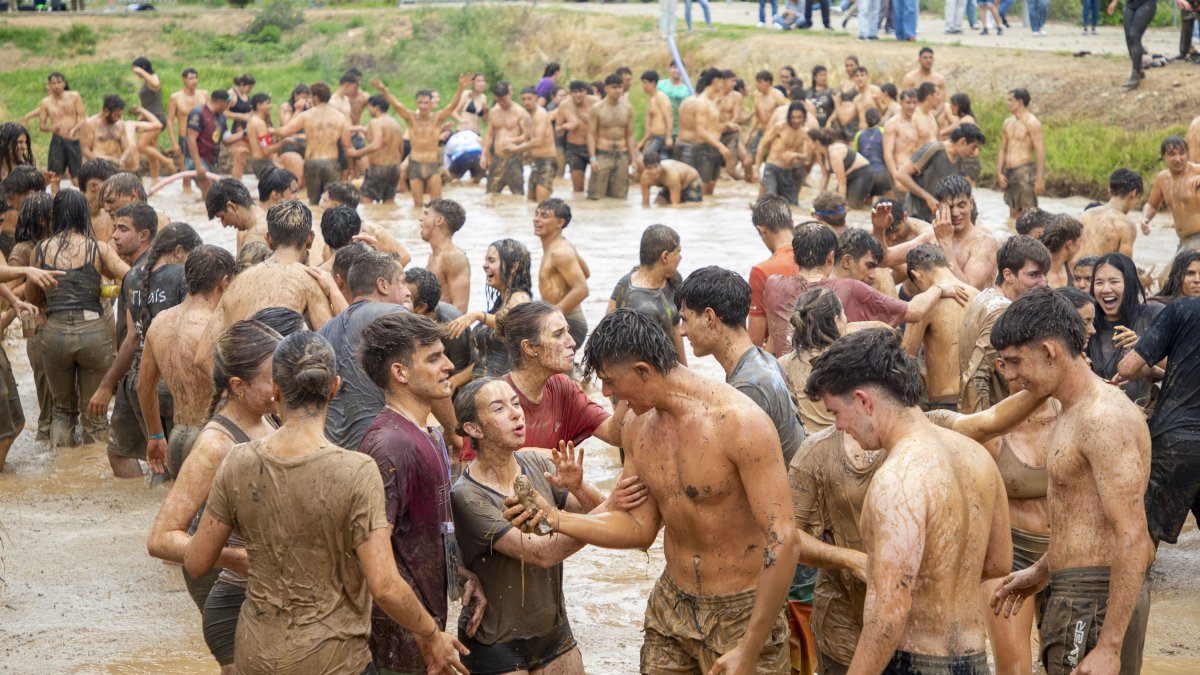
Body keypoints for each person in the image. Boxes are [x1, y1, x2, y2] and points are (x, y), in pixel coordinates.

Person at [504, 308, 801, 674]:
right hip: (672, 606)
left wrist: (751, 645)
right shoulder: (636, 425)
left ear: (643, 371)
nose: (607, 393)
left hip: (741, 609)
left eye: (611, 382)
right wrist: (556, 519)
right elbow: (639, 529)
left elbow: (783, 539)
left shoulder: (740, 424)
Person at [185, 330, 469, 675]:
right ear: (334, 388)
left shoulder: (238, 461)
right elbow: (385, 585)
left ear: (276, 389)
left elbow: (198, 562)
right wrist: (430, 634)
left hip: (257, 654)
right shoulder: (356, 470)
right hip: (334, 659)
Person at [991, 288, 1153, 675]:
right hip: (1079, 592)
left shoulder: (1102, 418)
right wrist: (1041, 571)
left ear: (1049, 351)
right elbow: (1087, 520)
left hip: (1094, 598)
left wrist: (1110, 646)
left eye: (1015, 361)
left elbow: (1132, 534)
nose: (1009, 375)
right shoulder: (1073, 410)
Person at [353, 313, 486, 674]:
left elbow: (424, 532)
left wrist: (459, 574)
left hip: (420, 631)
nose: (449, 366)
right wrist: (429, 635)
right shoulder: (389, 446)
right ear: (401, 373)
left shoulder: (427, 433)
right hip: (398, 642)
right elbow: (379, 579)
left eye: (444, 354)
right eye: (433, 358)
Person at [451, 377, 612, 674]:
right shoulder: (468, 494)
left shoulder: (538, 462)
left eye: (515, 403)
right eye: (499, 408)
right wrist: (589, 523)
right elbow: (541, 554)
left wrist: (578, 488)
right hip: (494, 642)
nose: (516, 413)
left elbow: (600, 513)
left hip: (554, 632)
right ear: (473, 429)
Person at [147, 319, 284, 656]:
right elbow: (160, 539)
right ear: (238, 385)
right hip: (227, 585)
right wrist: (236, 559)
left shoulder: (268, 414)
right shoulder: (215, 445)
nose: (283, 387)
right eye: (273, 380)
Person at [761, 221, 964, 356]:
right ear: (831, 257)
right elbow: (915, 311)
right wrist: (938, 287)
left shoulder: (772, 284)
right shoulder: (850, 288)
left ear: (795, 257)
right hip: (826, 386)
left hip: (788, 382)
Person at [94, 218, 197, 478]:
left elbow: (131, 339)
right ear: (179, 252)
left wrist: (108, 385)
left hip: (138, 383)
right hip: (173, 383)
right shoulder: (184, 275)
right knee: (179, 464)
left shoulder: (131, 277)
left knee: (140, 454)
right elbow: (192, 333)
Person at [28, 190, 130, 448]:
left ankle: (62, 471)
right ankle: (94, 477)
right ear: (84, 213)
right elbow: (130, 276)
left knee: (62, 412)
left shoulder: (40, 250)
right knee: (95, 417)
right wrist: (111, 290)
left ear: (55, 215)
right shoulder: (98, 248)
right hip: (94, 333)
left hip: (54, 335)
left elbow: (32, 296)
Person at [676, 266, 806, 464]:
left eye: (685, 319)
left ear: (710, 317)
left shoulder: (748, 387)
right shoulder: (764, 360)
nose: (682, 332)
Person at [138, 245, 236, 482]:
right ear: (224, 283)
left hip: (177, 438)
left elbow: (143, 387)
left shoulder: (160, 322)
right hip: (208, 438)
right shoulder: (217, 327)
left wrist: (155, 435)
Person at [1118, 295, 1200, 551]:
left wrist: (1134, 353)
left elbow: (1129, 368)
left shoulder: (1184, 308)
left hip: (1176, 441)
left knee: (1145, 533)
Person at [319, 251, 410, 451]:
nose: (408, 292)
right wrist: (451, 429)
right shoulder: (396, 315)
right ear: (383, 285)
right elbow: (429, 371)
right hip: (379, 448)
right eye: (402, 282)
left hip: (330, 449)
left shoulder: (322, 332)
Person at [210, 200, 339, 336]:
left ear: (269, 240)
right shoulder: (310, 281)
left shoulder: (236, 283)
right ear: (310, 239)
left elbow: (202, 356)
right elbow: (331, 342)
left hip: (237, 354)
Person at [957, 234, 1050, 413]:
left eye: (1044, 274)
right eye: (1033, 275)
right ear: (1008, 275)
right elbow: (975, 377)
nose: (1043, 283)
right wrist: (979, 432)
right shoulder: (1002, 311)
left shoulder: (986, 295)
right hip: (992, 418)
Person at [370, 74, 469, 207]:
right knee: (417, 206)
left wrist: (460, 88)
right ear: (416, 103)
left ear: (430, 103)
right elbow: (396, 105)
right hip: (415, 165)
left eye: (425, 103)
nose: (422, 106)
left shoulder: (437, 118)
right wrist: (383, 90)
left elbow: (452, 106)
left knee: (437, 205)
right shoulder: (411, 118)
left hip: (432, 165)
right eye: (420, 103)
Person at [903, 244, 979, 410]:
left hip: (945, 403)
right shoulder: (978, 295)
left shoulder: (924, 303)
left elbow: (906, 358)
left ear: (917, 275)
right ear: (949, 266)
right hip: (981, 399)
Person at [446, 239, 533, 381]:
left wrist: (479, 316)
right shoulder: (500, 304)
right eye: (486, 260)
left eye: (491, 260)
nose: (484, 265)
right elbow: (485, 362)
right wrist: (455, 381)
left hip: (504, 390)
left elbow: (508, 325)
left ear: (514, 266)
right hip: (483, 384)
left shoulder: (520, 298)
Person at [1087, 252, 1163, 406]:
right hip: (1096, 412)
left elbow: (1178, 362)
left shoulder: (1153, 316)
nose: (1106, 289)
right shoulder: (1088, 323)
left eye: (1114, 281)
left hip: (1142, 413)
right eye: (1099, 282)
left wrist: (1142, 347)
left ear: (1130, 284)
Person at [607, 224, 687, 365]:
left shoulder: (672, 279)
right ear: (665, 256)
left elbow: (676, 329)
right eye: (678, 251)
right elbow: (608, 337)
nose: (681, 257)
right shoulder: (640, 304)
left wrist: (687, 375)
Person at [271, 82, 352, 205]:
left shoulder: (306, 115)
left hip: (312, 162)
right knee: (333, 200)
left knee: (313, 202)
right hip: (331, 162)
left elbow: (284, 131)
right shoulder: (341, 117)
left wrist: (270, 130)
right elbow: (347, 146)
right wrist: (350, 168)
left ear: (315, 97)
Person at [894, 123, 985, 223]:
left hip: (937, 218)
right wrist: (927, 197)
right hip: (915, 213)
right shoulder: (934, 149)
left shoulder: (960, 158)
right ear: (962, 141)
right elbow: (901, 174)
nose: (974, 152)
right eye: (973, 147)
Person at [533, 199, 591, 349]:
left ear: (559, 223)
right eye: (536, 214)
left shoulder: (560, 252)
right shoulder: (562, 245)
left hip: (569, 321)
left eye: (544, 216)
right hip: (565, 318)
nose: (536, 219)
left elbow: (582, 289)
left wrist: (554, 313)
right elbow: (586, 273)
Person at [927, 175, 1000, 290]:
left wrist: (945, 243)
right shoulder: (932, 235)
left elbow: (969, 291)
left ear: (971, 203)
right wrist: (886, 228)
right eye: (949, 207)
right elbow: (890, 257)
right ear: (938, 207)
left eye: (961, 205)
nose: (955, 212)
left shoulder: (985, 242)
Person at [404, 267, 472, 383]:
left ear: (421, 308)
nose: (400, 297)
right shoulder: (400, 314)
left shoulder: (452, 326)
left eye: (406, 298)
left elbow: (458, 374)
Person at [748, 196, 799, 348]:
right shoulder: (818, 259)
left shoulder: (762, 271)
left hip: (779, 357)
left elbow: (755, 341)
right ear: (791, 223)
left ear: (761, 230)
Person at [1141, 136, 1200, 251]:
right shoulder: (1162, 179)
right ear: (1163, 157)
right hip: (1184, 242)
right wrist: (1145, 218)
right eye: (1172, 154)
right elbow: (1152, 205)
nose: (1178, 159)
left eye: (1182, 153)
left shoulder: (1197, 171)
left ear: (1187, 154)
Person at [677, 69, 730, 196]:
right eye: (722, 82)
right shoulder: (700, 102)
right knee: (699, 189)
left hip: (708, 147)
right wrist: (721, 146)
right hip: (701, 148)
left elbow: (711, 127)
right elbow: (701, 131)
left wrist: (726, 126)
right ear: (715, 82)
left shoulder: (708, 102)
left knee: (707, 189)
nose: (723, 86)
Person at [586, 74, 638, 201]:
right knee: (596, 196)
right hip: (602, 154)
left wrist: (634, 159)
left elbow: (630, 135)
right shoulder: (597, 108)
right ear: (606, 89)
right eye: (614, 87)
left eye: (620, 87)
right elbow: (591, 134)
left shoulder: (628, 108)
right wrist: (592, 158)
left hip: (622, 155)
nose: (618, 90)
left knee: (620, 197)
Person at [996, 89, 1046, 221]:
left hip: (1024, 170)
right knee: (1012, 213)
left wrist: (1039, 178)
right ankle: (1012, 237)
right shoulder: (1007, 122)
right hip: (1010, 171)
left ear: (1020, 102)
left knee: (1029, 213)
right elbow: (1003, 150)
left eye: (1010, 100)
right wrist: (999, 173)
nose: (1007, 103)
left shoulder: (1032, 122)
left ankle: (1031, 241)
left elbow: (1040, 150)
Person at [1076, 168, 1142, 260]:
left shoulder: (1085, 215)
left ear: (1109, 190)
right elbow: (1125, 266)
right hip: (1099, 273)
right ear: (1133, 193)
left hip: (1075, 273)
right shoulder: (1126, 225)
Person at [37, 72, 87, 190]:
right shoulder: (46, 102)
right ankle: (55, 205)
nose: (56, 86)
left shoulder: (74, 96)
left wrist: (75, 129)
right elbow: (41, 126)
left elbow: (82, 117)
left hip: (73, 140)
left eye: (59, 82)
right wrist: (50, 128)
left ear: (64, 83)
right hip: (57, 141)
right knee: (55, 176)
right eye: (53, 83)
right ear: (49, 85)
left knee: (76, 177)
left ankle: (83, 203)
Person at [186, 90, 241, 197]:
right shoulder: (198, 113)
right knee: (209, 193)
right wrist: (198, 165)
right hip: (198, 159)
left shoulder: (221, 117)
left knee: (215, 194)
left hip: (212, 159)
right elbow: (191, 139)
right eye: (227, 104)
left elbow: (226, 139)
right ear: (220, 102)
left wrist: (244, 133)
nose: (227, 107)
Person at [420, 199, 470, 313]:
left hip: (443, 327)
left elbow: (460, 309)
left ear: (439, 220)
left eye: (426, 214)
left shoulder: (454, 257)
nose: (421, 218)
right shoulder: (432, 256)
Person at [480, 81, 530, 197]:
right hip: (496, 158)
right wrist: (484, 154)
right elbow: (490, 135)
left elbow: (526, 136)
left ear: (510, 94)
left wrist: (512, 140)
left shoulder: (520, 112)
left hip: (514, 159)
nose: (501, 103)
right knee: (490, 196)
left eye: (503, 100)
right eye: (498, 100)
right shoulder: (494, 111)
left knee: (518, 196)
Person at [756, 103, 812, 206]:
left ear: (804, 117)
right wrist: (756, 170)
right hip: (772, 167)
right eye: (793, 117)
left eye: (799, 117)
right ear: (789, 117)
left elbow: (807, 158)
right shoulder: (780, 127)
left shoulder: (805, 132)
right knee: (771, 200)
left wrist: (795, 155)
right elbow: (762, 144)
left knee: (793, 205)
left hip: (788, 171)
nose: (796, 121)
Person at [512, 86, 560, 203]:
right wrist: (510, 141)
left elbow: (538, 141)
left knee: (541, 202)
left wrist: (515, 149)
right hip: (534, 162)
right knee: (530, 201)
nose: (526, 102)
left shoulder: (541, 114)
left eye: (529, 99)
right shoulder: (527, 116)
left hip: (547, 161)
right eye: (523, 99)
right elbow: (527, 137)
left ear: (536, 98)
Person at [130, 58, 173, 181]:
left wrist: (141, 71)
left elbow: (156, 84)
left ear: (142, 68)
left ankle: (167, 161)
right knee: (151, 155)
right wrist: (139, 117)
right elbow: (147, 106)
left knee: (141, 146)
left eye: (135, 70)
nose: (135, 73)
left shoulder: (153, 77)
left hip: (157, 119)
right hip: (149, 118)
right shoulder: (145, 81)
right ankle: (155, 181)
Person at [167, 67, 209, 191]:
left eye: (196, 78)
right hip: (184, 138)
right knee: (186, 174)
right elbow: (169, 120)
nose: (194, 81)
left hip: (202, 138)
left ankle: (205, 197)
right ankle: (186, 200)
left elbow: (210, 115)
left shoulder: (204, 94)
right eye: (191, 78)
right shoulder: (176, 97)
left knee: (205, 170)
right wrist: (174, 143)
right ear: (184, 80)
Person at [204, 177, 266, 253]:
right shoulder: (270, 218)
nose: (224, 224)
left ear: (232, 207)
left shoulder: (253, 240)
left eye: (222, 217)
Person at [1110, 0, 1157, 89]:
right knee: (1129, 37)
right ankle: (1139, 69)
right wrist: (1115, 2)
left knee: (1135, 36)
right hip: (1130, 4)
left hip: (1146, 3)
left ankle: (1135, 75)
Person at [557, 81, 595, 194]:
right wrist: (565, 126)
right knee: (578, 190)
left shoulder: (596, 102)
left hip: (594, 147)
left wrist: (590, 120)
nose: (578, 95)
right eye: (575, 92)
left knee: (596, 189)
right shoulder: (564, 105)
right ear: (570, 93)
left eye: (581, 91)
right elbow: (557, 129)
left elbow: (606, 124)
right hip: (574, 148)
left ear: (586, 92)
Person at [80, 95, 132, 168]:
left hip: (115, 164)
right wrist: (104, 163)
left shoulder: (120, 125)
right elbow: (86, 151)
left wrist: (121, 160)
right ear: (106, 111)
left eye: (120, 115)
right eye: (117, 115)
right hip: (96, 166)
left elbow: (126, 148)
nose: (119, 118)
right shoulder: (90, 124)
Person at [639, 71, 674, 163]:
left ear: (653, 83)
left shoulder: (660, 97)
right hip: (654, 138)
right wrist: (643, 141)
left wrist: (669, 137)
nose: (644, 85)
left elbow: (668, 117)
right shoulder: (652, 99)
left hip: (662, 138)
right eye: (643, 83)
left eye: (645, 83)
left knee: (652, 161)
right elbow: (650, 125)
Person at [1040, 215, 1083, 288]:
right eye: (1080, 241)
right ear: (1069, 245)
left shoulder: (1073, 267)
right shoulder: (1037, 273)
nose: (1080, 245)